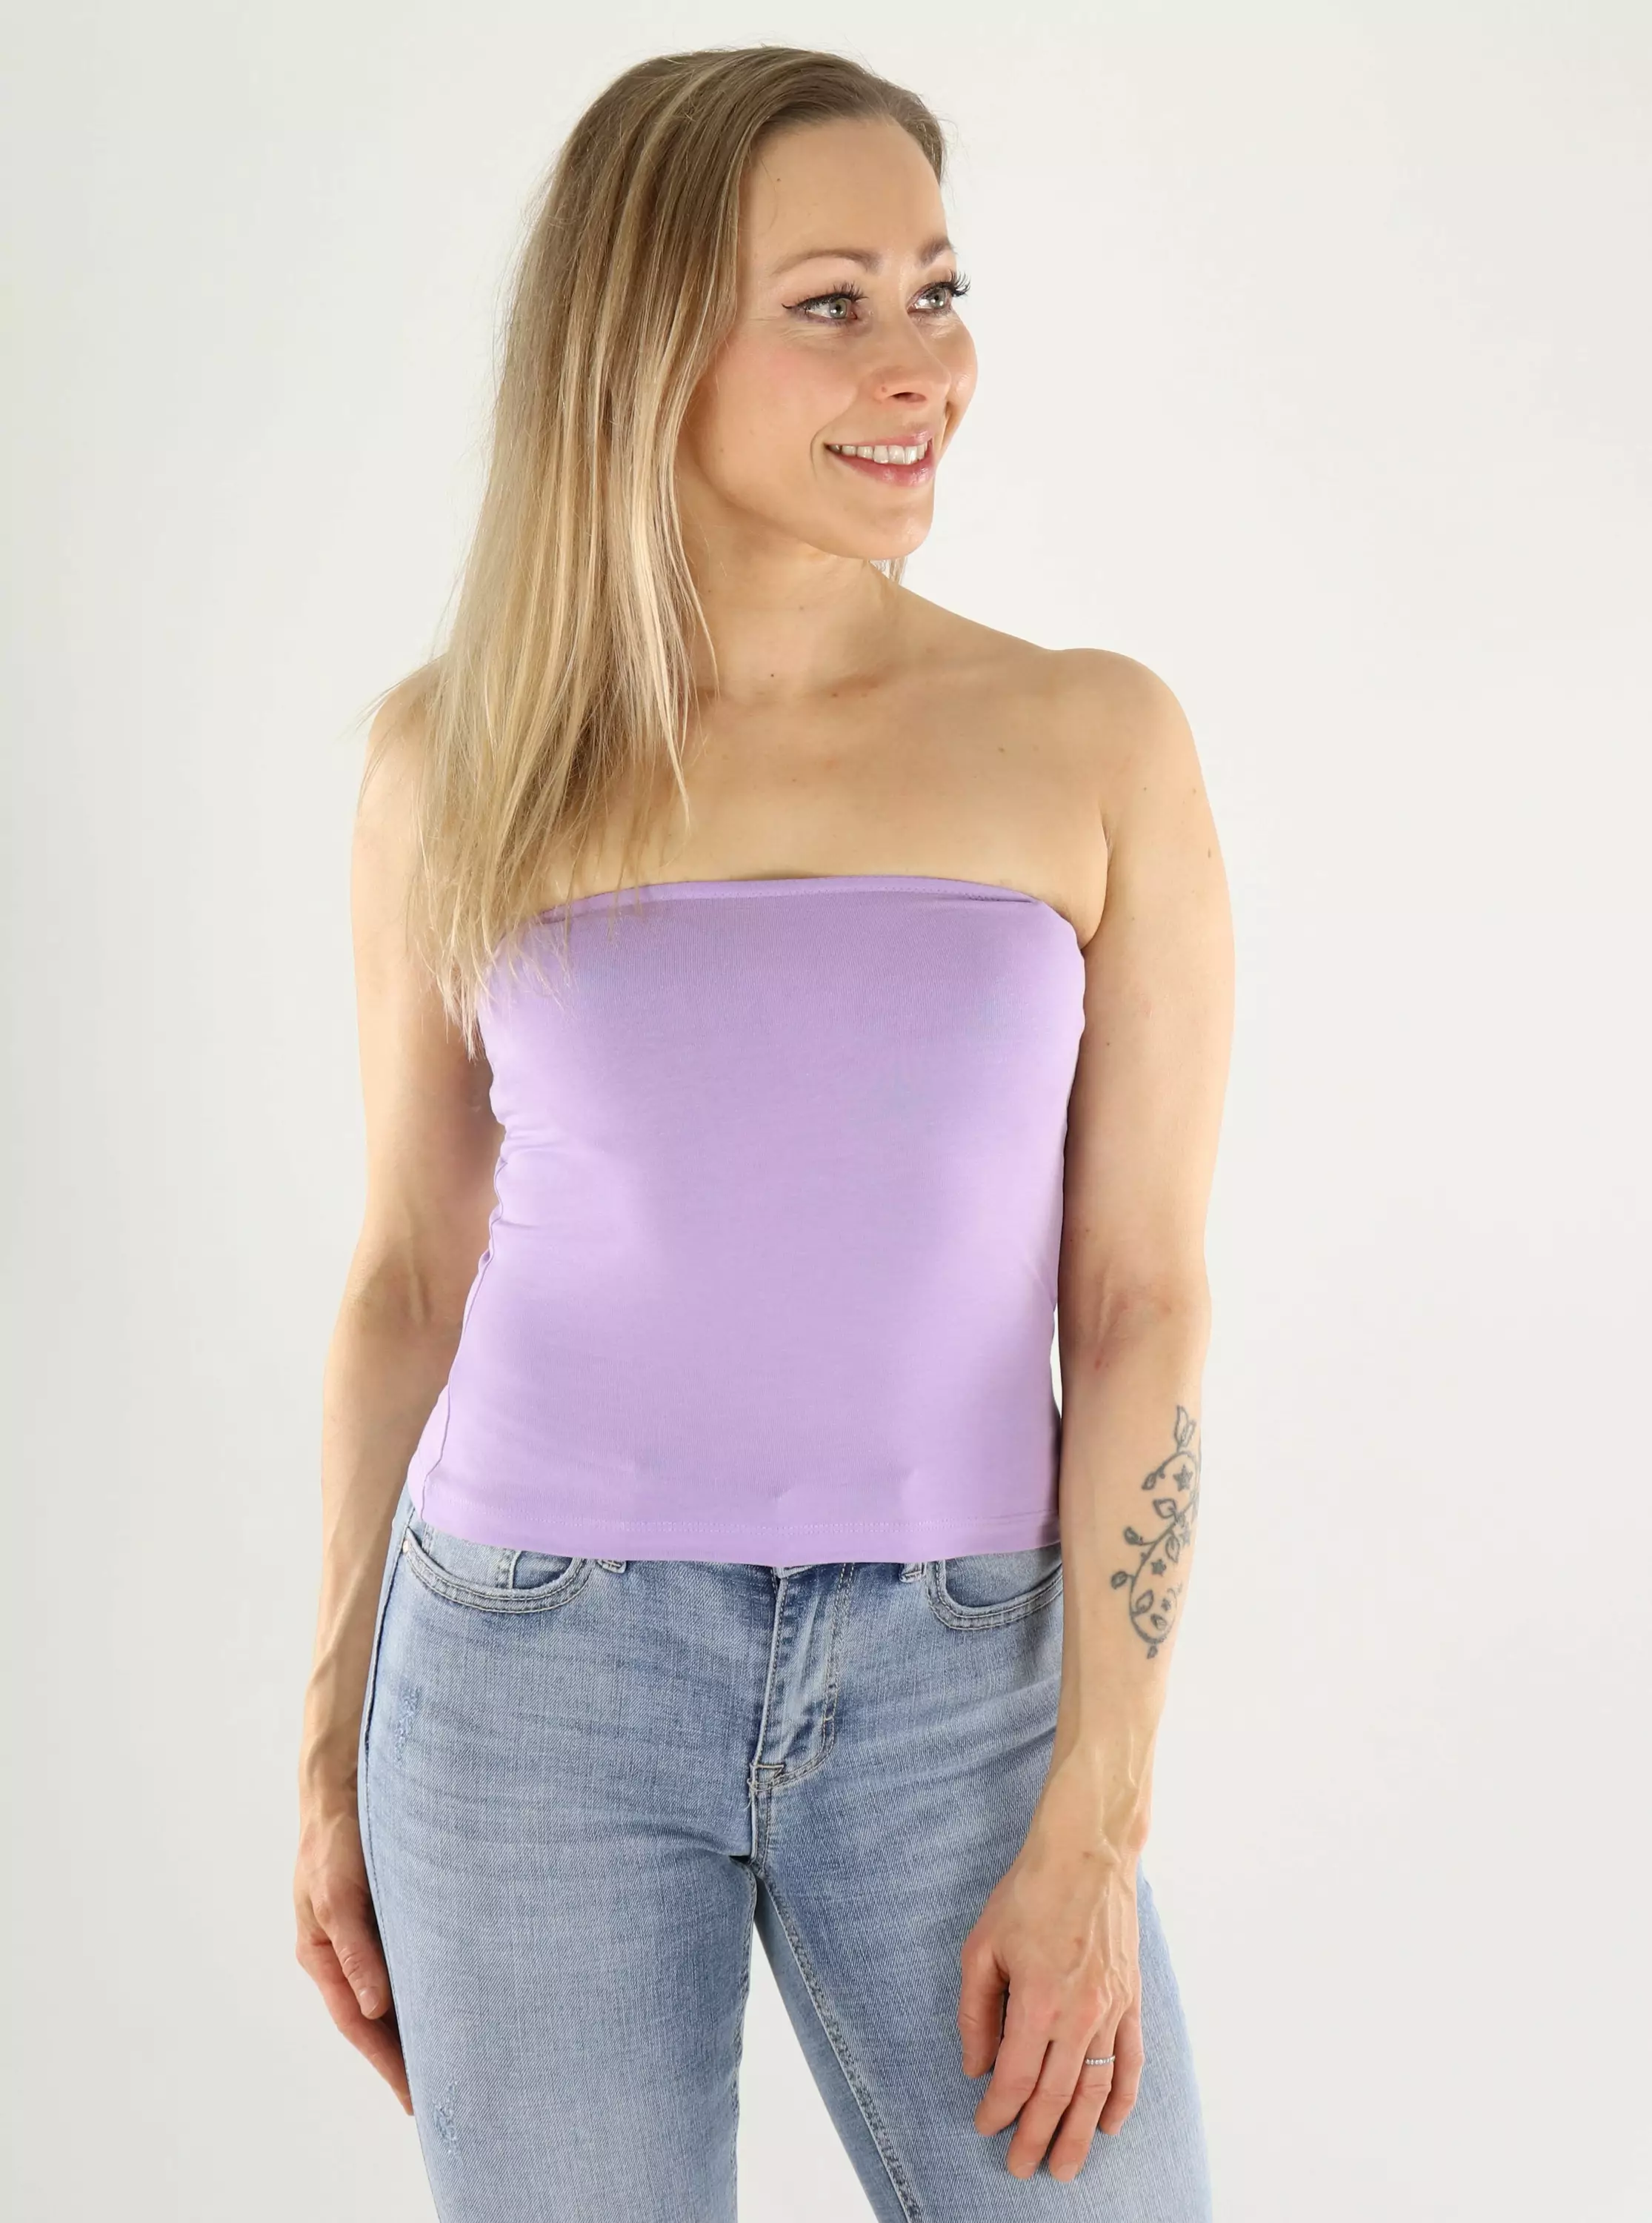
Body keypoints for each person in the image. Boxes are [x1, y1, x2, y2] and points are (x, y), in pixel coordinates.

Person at [293, 44, 1233, 2223]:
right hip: (528, 1684)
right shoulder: (460, 754)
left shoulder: (1088, 738)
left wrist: (1097, 1811)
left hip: (959, 1681)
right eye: (832, 304)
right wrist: (329, 1740)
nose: (924, 368)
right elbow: (409, 1269)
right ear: (642, 345)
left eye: (937, 290)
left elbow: (1140, 1296)